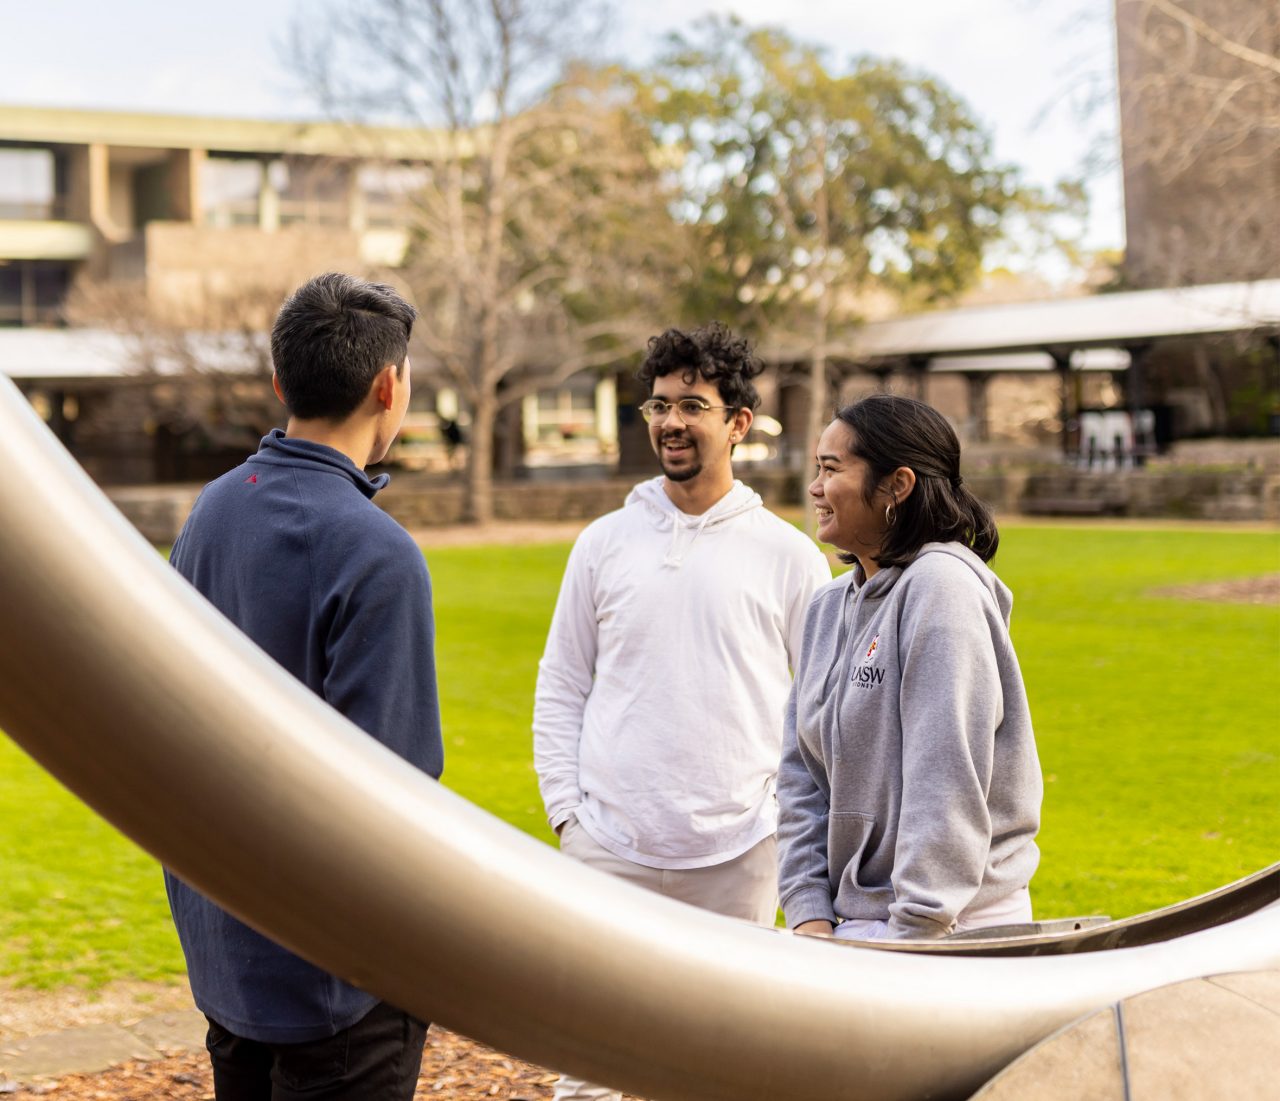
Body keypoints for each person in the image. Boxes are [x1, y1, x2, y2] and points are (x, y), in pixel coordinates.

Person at [533, 322, 831, 1101]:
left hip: (738, 854)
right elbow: (562, 682)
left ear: (737, 422)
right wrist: (569, 815)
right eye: (658, 406)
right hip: (609, 847)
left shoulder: (790, 555)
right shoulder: (603, 544)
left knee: (723, 1069)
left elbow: (822, 714)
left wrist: (782, 827)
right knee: (592, 1068)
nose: (669, 422)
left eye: (691, 405)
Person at [165, 272, 443, 1099]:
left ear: (280, 382)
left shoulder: (210, 513)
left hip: (227, 963)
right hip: (342, 987)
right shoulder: (377, 554)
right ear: (389, 386)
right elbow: (394, 789)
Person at [778, 394, 1042, 942]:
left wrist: (917, 930)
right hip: (855, 925)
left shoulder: (941, 589)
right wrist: (808, 911)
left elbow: (945, 776)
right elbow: (800, 775)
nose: (815, 488)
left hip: (946, 926)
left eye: (831, 469)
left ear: (897, 485)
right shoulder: (829, 609)